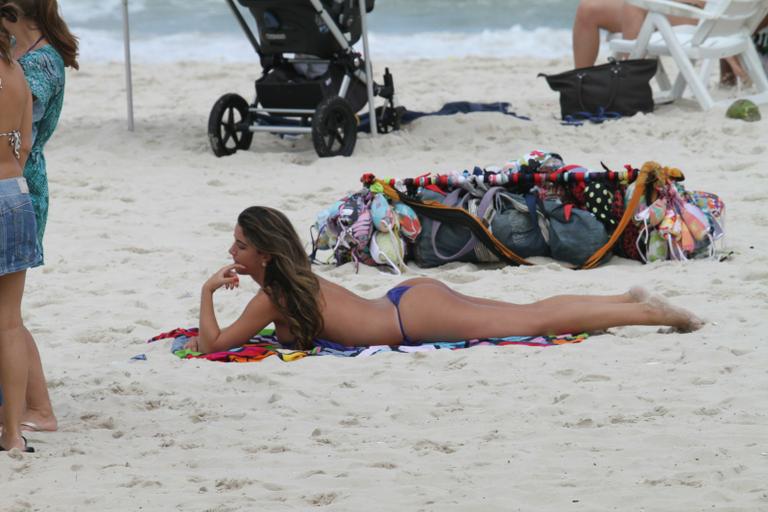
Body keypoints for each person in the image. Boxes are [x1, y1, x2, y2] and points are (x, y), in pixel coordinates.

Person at [183, 206, 703, 354]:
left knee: (535, 318)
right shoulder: (288, 284)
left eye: (241, 246)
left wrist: (207, 293)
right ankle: (625, 297)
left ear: (267, 254)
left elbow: (212, 346)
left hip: (412, 318)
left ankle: (646, 313)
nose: (232, 253)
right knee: (528, 312)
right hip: (406, 301)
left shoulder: (272, 296)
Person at [0, 0, 78, 434]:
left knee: (8, 314)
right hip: (18, 185)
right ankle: (25, 406)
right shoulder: (22, 56)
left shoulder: (38, 64)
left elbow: (21, 122)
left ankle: (39, 407)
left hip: (19, 186)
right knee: (8, 314)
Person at [0, 22, 36, 452]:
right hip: (13, 194)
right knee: (9, 322)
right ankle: (13, 434)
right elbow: (25, 145)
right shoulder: (15, 71)